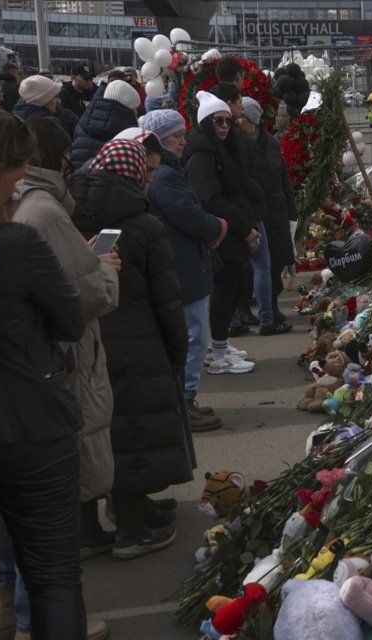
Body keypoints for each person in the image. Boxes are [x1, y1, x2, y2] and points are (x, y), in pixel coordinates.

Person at [0, 109, 87, 639]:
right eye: (16, 169)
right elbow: (71, 320)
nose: (21, 182)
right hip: (32, 427)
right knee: (53, 577)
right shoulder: (16, 245)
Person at [10, 116, 118, 640]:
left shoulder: (21, 208)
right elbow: (87, 296)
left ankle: (18, 616)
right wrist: (108, 266)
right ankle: (41, 623)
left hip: (14, 387)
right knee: (43, 519)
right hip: (50, 375)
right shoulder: (44, 212)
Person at [70, 138, 192, 560]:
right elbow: (167, 297)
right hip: (137, 346)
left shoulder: (70, 215)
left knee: (88, 434)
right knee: (132, 434)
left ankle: (86, 531)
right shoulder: (142, 226)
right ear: (135, 174)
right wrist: (179, 349)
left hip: (83, 340)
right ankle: (132, 531)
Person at [141, 108, 228, 431]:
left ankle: (185, 399)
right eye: (176, 137)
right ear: (161, 141)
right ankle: (184, 401)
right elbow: (188, 213)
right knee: (194, 336)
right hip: (182, 265)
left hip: (185, 262)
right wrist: (217, 226)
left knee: (193, 335)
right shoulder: (165, 175)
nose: (183, 141)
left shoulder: (167, 170)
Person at [182, 91, 260, 374]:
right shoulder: (203, 154)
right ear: (206, 123)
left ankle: (220, 344)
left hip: (231, 229)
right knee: (226, 290)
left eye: (229, 121)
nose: (225, 126)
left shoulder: (218, 149)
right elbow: (210, 198)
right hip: (221, 233)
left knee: (235, 288)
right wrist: (243, 226)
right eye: (218, 121)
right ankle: (217, 352)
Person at [212, 83, 286, 337]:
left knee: (233, 268)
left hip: (229, 211)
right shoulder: (239, 139)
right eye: (238, 104)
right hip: (246, 210)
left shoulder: (216, 137)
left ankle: (234, 321)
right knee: (259, 265)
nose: (240, 109)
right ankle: (265, 319)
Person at [239, 96, 296, 331]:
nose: (236, 120)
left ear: (251, 119)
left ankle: (272, 306)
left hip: (276, 209)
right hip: (253, 212)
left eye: (241, 116)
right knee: (251, 266)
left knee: (276, 262)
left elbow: (283, 177)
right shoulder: (238, 144)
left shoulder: (270, 142)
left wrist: (291, 209)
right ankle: (245, 310)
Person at [69, 80, 140, 169]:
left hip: (77, 176)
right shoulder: (125, 130)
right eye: (134, 109)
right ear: (127, 108)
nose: (136, 112)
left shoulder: (85, 119)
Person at [14, 74, 79, 137]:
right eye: (55, 96)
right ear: (44, 100)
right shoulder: (49, 124)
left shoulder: (15, 119)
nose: (57, 101)